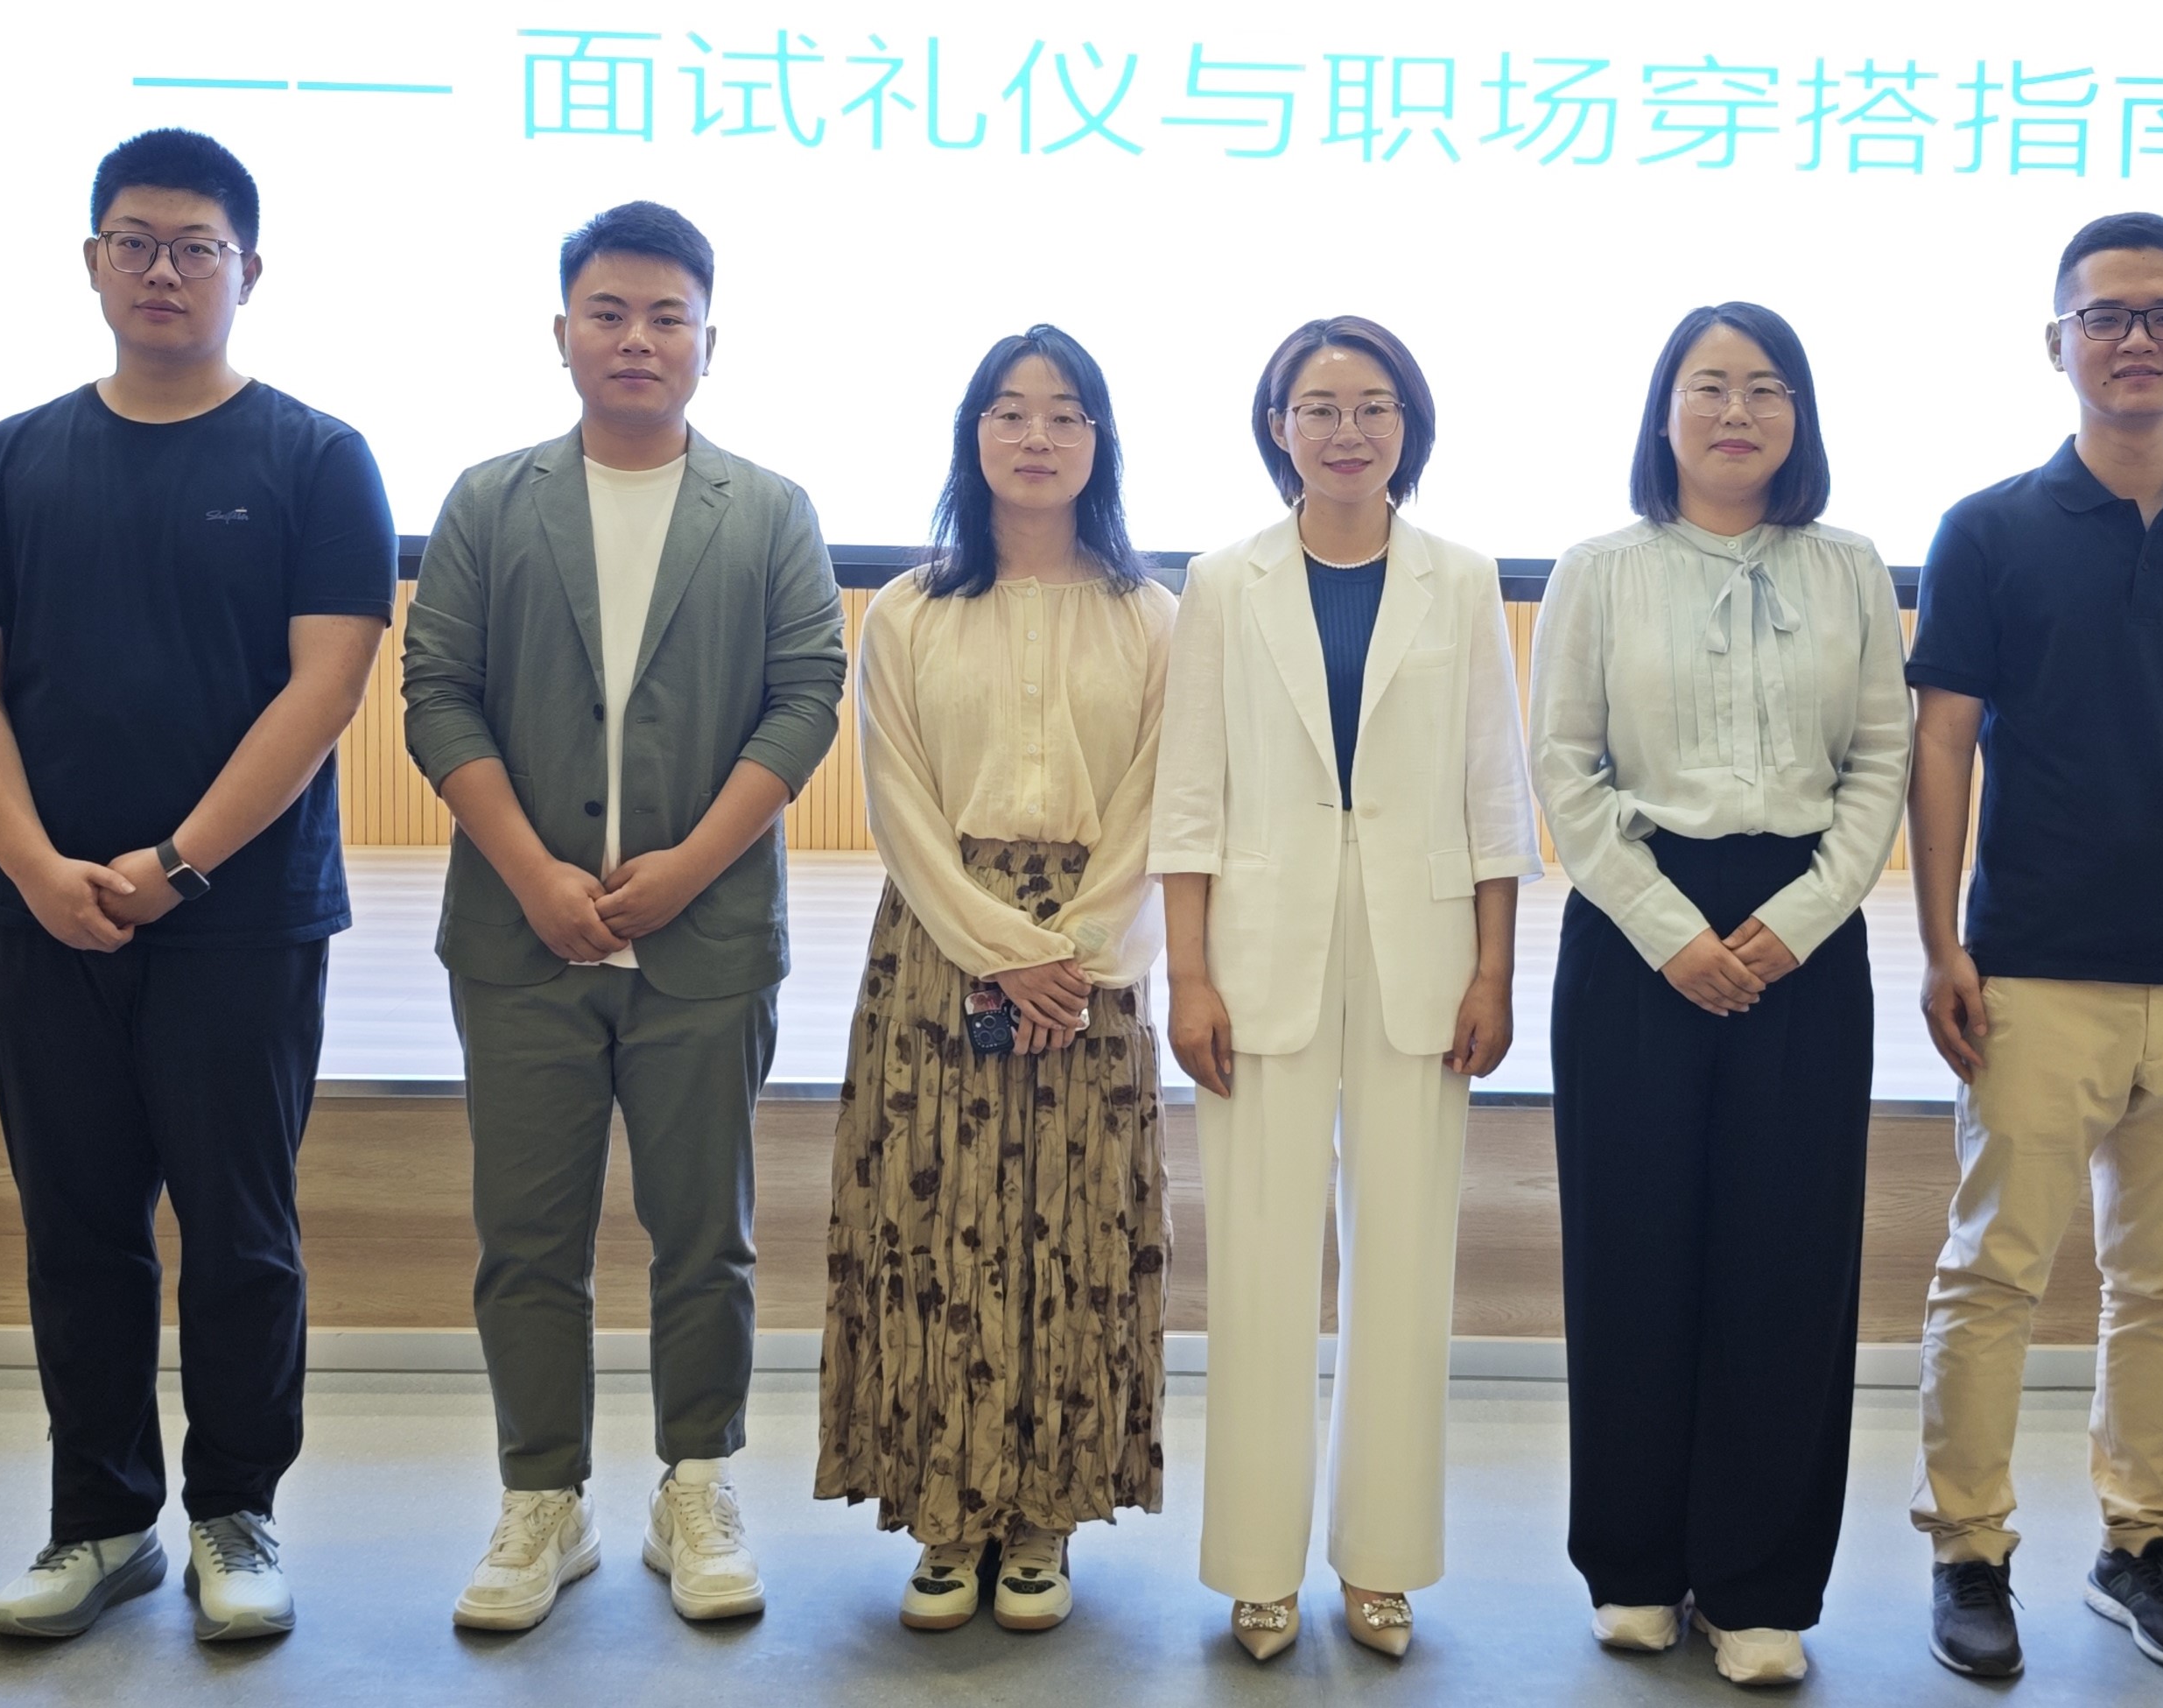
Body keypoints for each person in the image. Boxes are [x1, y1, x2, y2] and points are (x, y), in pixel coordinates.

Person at [0, 128, 394, 1643]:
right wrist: (36, 865)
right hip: (41, 916)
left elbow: (325, 688)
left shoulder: (317, 457)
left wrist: (180, 863)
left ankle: (235, 1515)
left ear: (250, 269)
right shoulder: (9, 458)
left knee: (240, 1232)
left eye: (197, 246)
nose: (164, 271)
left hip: (242, 919)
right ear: (93, 262)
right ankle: (101, 1521)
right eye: (135, 242)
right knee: (76, 1229)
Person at [401, 200, 847, 1633]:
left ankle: (695, 1485)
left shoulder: (768, 510)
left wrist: (691, 867)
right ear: (563, 332)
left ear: (711, 341)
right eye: (609, 312)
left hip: (706, 942)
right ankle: (543, 1498)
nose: (638, 338)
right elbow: (436, 696)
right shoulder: (490, 502)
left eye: (667, 316)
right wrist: (535, 873)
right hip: (518, 938)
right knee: (527, 1236)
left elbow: (805, 699)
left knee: (703, 1234)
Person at [1902, 211, 2163, 1679]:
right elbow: (1944, 741)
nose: (2137, 338)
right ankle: (1969, 1552)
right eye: (2107, 315)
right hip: (2030, 965)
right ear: (2059, 343)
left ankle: (2139, 1544)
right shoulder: (1987, 528)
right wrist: (1942, 940)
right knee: (1994, 1275)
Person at [1529, 301, 1909, 1687]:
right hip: (1637, 934)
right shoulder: (1597, 571)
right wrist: (1667, 929)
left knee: (1786, 1263)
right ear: (1665, 411)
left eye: (1765, 388)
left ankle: (1758, 1587)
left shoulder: (1851, 569)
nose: (1737, 411)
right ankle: (1633, 1566)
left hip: (1804, 934)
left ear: (1799, 415)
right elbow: (1563, 767)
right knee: (1631, 1251)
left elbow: (1880, 762)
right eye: (1709, 386)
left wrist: (1800, 920)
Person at [1154, 315, 1539, 1662]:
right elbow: (1190, 792)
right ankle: (1259, 1567)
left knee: (1404, 1266)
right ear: (1279, 427)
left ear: (1408, 426)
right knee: (1259, 1264)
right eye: (1319, 407)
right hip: (1256, 955)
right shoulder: (1223, 581)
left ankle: (1381, 1562)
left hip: (1421, 959)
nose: (1347, 430)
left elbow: (1496, 789)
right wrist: (1186, 972)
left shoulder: (1460, 577)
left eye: (1374, 406)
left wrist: (1495, 967)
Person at [813, 326, 1178, 1634]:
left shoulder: (1153, 616)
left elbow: (1159, 804)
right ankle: (945, 1516)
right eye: (1011, 412)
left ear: (1099, 444)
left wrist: (1072, 952)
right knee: (933, 1224)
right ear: (973, 436)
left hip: (1094, 962)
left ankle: (1041, 1518)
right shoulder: (909, 611)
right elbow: (899, 805)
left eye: (1066, 413)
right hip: (937, 950)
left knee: (1075, 1232)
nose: (1037, 436)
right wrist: (999, 946)